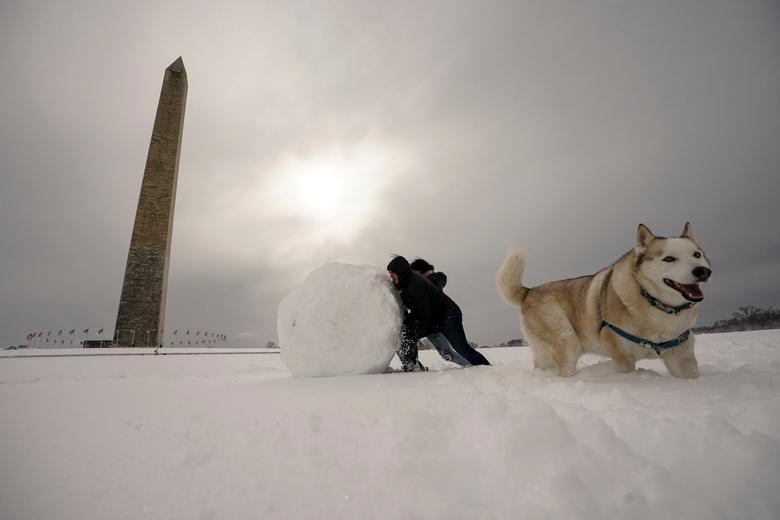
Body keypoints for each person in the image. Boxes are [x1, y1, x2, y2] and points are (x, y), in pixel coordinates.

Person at [387, 255, 491, 371]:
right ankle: (412, 366)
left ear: (400, 271)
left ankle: (487, 369)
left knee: (462, 348)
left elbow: (422, 315)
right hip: (433, 319)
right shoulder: (404, 285)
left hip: (448, 316)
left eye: (392, 273)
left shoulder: (415, 285)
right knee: (404, 335)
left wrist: (412, 334)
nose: (391, 276)